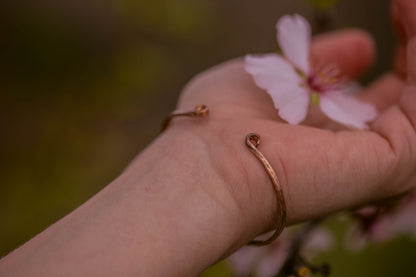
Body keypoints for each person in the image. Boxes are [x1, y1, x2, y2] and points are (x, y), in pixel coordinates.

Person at [0, 0, 415, 276]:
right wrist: (208, 166)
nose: (322, 80)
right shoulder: (289, 82)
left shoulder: (317, 94)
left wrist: (206, 169)